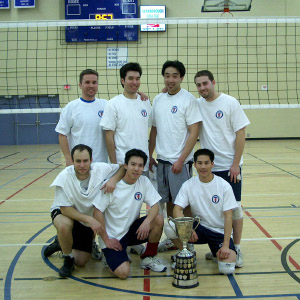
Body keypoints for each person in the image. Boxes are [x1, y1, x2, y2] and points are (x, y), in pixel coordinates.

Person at [47, 69, 107, 260]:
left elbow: (126, 102)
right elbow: (62, 134)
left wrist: (140, 95)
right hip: (78, 167)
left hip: (99, 170)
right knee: (76, 207)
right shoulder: (71, 107)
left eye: (94, 82)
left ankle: (94, 243)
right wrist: (68, 159)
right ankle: (64, 239)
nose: (91, 86)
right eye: (87, 82)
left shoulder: (106, 105)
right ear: (80, 84)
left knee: (97, 209)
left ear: (98, 84)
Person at [194, 70, 250, 267]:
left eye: (205, 83)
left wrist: (235, 164)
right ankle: (218, 246)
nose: (202, 88)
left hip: (230, 167)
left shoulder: (230, 102)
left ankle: (238, 248)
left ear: (213, 82)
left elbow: (241, 133)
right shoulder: (198, 104)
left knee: (234, 210)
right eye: (199, 85)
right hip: (208, 168)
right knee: (214, 210)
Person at [45, 144, 124, 278]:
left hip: (84, 217)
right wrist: (90, 220)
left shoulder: (100, 169)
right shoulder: (64, 177)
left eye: (85, 161)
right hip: (67, 213)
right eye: (78, 161)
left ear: (91, 160)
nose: (82, 165)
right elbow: (65, 209)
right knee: (64, 226)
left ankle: (62, 241)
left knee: (81, 261)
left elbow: (123, 167)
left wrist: (113, 180)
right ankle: (67, 258)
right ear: (72, 161)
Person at [148, 60, 202, 250]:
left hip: (180, 163)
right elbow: (154, 130)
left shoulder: (188, 100)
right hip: (162, 162)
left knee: (183, 204)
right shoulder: (158, 99)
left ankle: (188, 243)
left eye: (174, 76)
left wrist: (180, 160)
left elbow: (194, 132)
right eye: (167, 75)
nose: (170, 79)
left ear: (181, 78)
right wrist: (149, 154)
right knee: (169, 203)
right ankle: (175, 238)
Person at [93, 149, 167, 279]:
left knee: (158, 219)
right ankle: (109, 256)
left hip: (131, 231)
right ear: (125, 166)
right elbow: (97, 212)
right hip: (113, 237)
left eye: (140, 165)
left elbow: (155, 205)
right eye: (133, 164)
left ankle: (148, 257)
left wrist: (147, 222)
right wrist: (106, 240)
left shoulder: (143, 182)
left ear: (143, 168)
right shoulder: (111, 186)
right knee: (123, 273)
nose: (136, 169)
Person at [172, 148, 237, 275]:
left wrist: (225, 245)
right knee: (170, 226)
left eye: (206, 163)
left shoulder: (224, 186)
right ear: (194, 165)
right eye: (200, 163)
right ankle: (187, 252)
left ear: (212, 164)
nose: (203, 166)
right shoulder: (188, 185)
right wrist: (187, 228)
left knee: (227, 269)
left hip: (219, 232)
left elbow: (229, 217)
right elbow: (177, 209)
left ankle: (216, 252)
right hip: (198, 228)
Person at [100, 62, 152, 173]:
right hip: (122, 164)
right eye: (131, 78)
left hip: (143, 164)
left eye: (137, 79)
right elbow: (109, 136)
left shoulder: (145, 101)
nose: (135, 82)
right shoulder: (113, 104)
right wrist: (114, 164)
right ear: (122, 80)